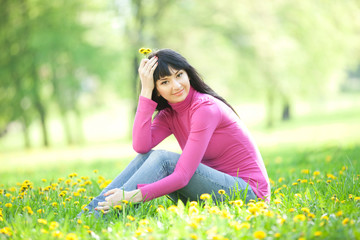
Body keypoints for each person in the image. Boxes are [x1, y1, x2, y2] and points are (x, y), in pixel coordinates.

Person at [83, 48, 271, 215]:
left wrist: (132, 196)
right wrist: (145, 91)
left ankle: (98, 214)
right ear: (156, 90)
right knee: (149, 157)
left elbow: (182, 176)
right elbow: (141, 146)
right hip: (213, 192)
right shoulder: (169, 114)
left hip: (249, 196)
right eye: (164, 82)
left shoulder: (205, 108)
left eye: (179, 75)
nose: (176, 85)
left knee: (164, 160)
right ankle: (94, 212)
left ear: (188, 74)